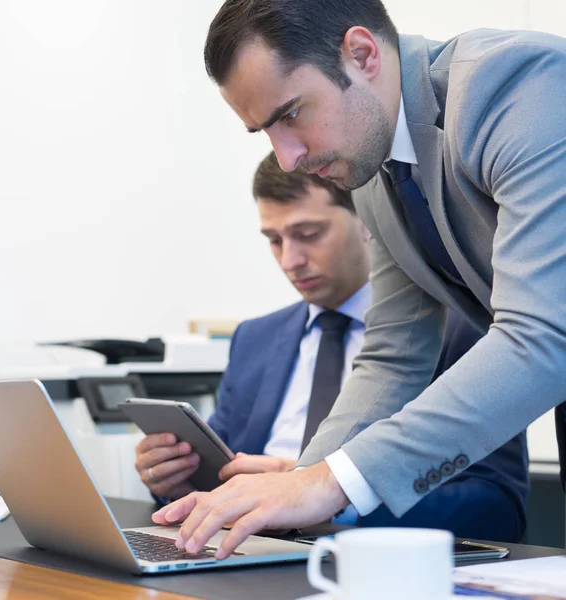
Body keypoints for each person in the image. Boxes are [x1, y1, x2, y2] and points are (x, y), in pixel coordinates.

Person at [152, 0, 566, 558]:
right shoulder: (372, 166)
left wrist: (331, 482)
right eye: (264, 132)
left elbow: (542, 335)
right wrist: (296, 486)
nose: (288, 157)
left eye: (291, 114)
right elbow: (394, 354)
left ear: (362, 53)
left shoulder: (517, 86)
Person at [140, 151, 527, 540]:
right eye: (274, 240)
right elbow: (224, 476)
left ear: (368, 222)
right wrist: (180, 485)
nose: (290, 260)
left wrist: (330, 491)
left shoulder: (464, 330)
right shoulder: (254, 339)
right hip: (253, 553)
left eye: (308, 234)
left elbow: (498, 509)